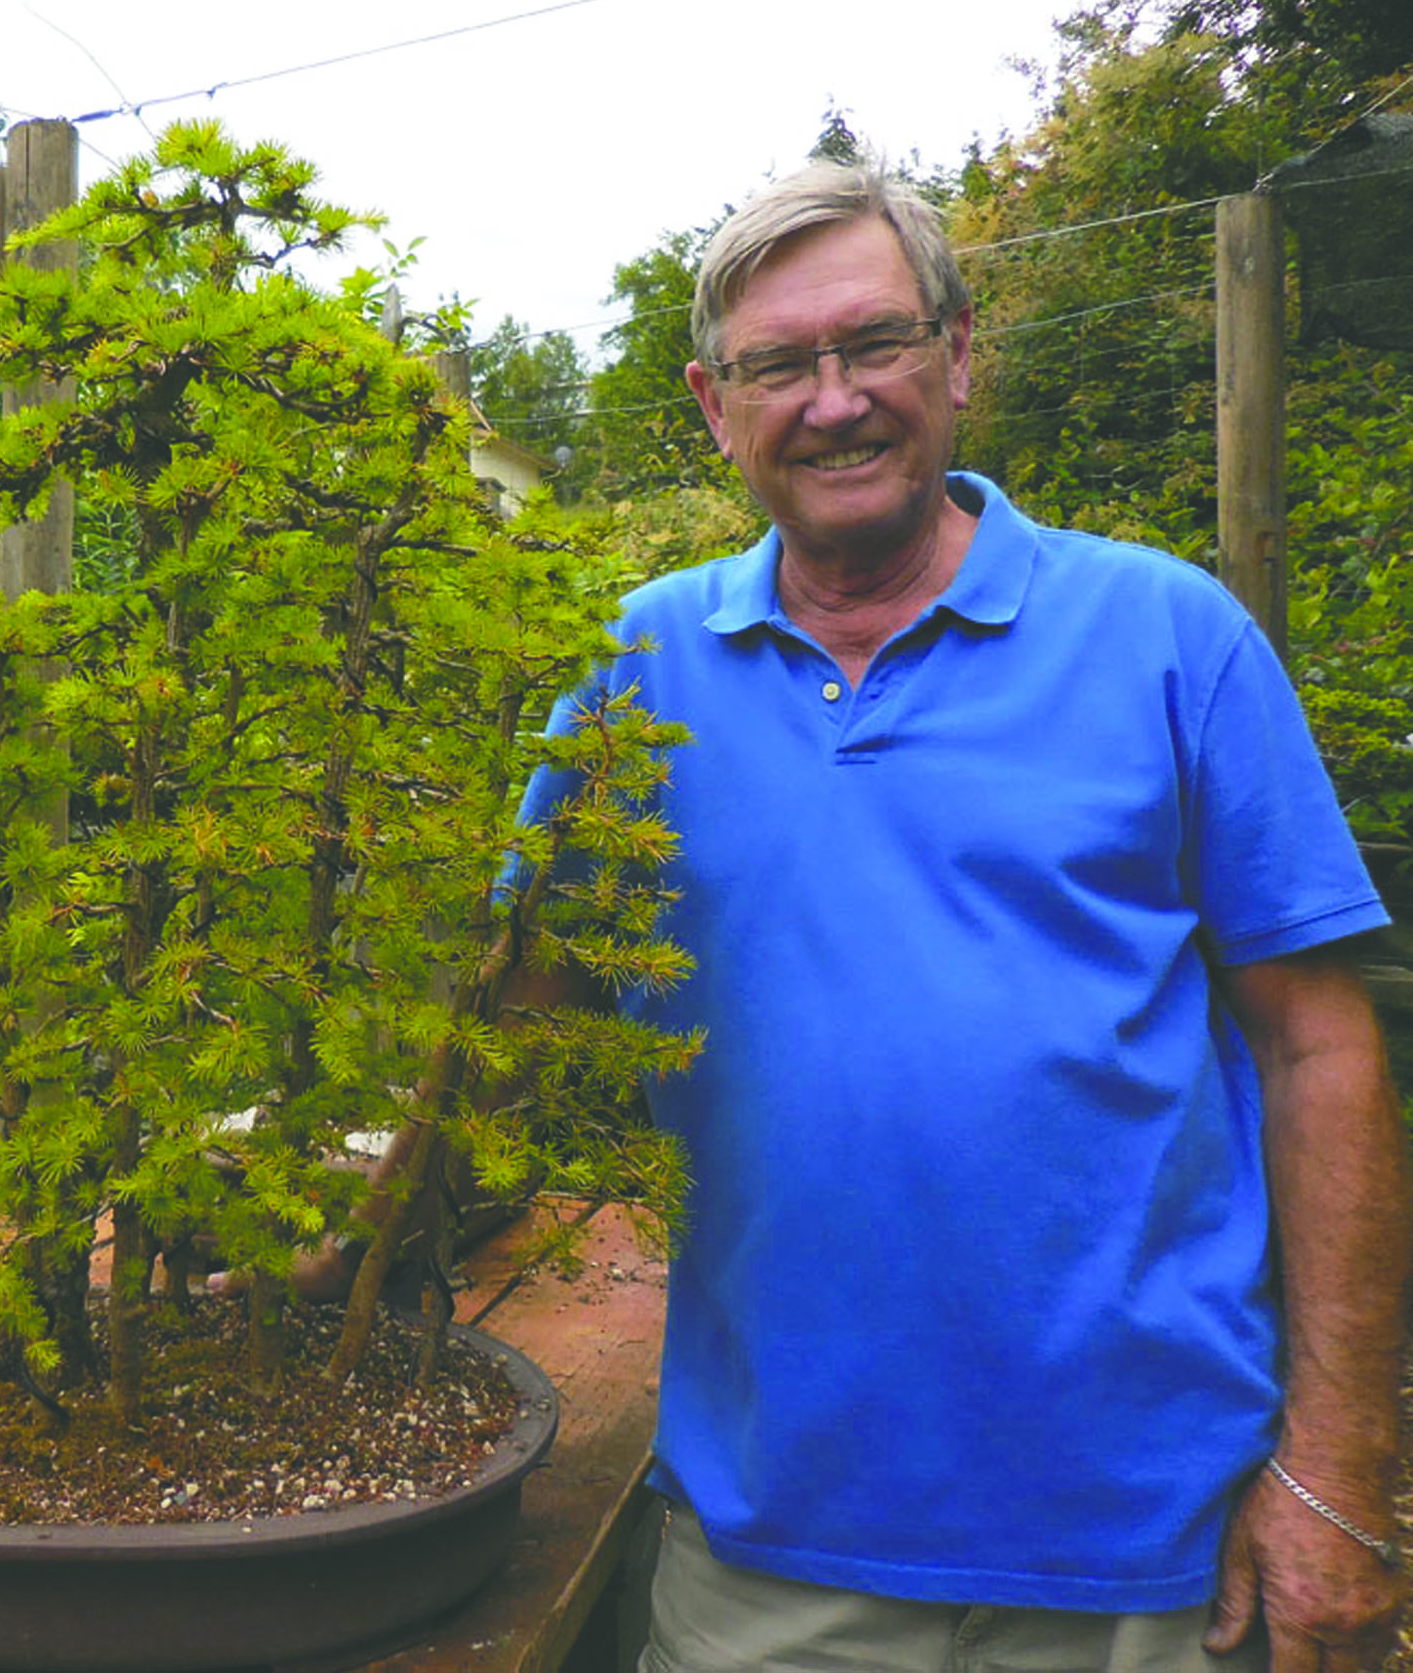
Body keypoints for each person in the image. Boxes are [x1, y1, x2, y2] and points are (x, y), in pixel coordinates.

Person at [510, 160, 1409, 1671]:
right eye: (779, 365)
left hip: (1161, 1556)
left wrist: (1341, 1469)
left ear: (961, 354)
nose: (836, 398)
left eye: (876, 343)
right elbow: (517, 1015)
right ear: (711, 405)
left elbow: (1324, 1052)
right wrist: (312, 1234)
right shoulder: (632, 674)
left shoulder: (1168, 636)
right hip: (771, 1549)